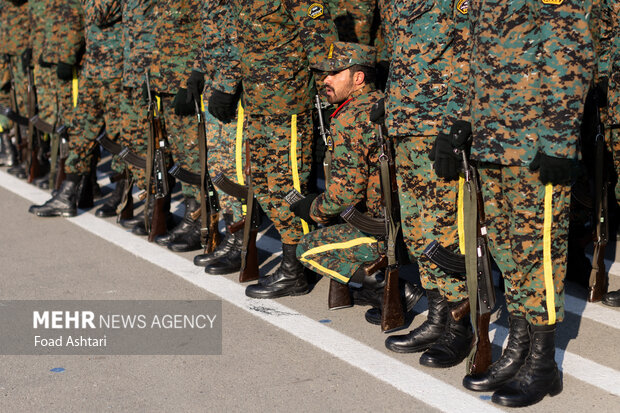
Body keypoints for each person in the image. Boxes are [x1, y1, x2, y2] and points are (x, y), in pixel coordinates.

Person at [460, 0, 595, 407]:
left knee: (539, 254)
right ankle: (517, 349)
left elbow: (571, 46)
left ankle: (543, 362)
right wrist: (461, 121)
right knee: (508, 252)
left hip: (535, 147)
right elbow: (475, 57)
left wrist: (559, 142)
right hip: (492, 141)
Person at [209, 0, 338, 299]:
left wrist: (331, 99)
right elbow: (235, 40)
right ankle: (293, 258)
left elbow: (322, 44)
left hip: (289, 106)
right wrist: (228, 86)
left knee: (288, 186)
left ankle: (296, 269)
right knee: (265, 186)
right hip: (256, 103)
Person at [380, 0, 472, 368]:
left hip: (436, 129)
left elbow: (468, 55)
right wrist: (388, 105)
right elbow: (399, 55)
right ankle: (437, 315)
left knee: (445, 230)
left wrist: (455, 125)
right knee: (419, 230)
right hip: (405, 125)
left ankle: (459, 324)